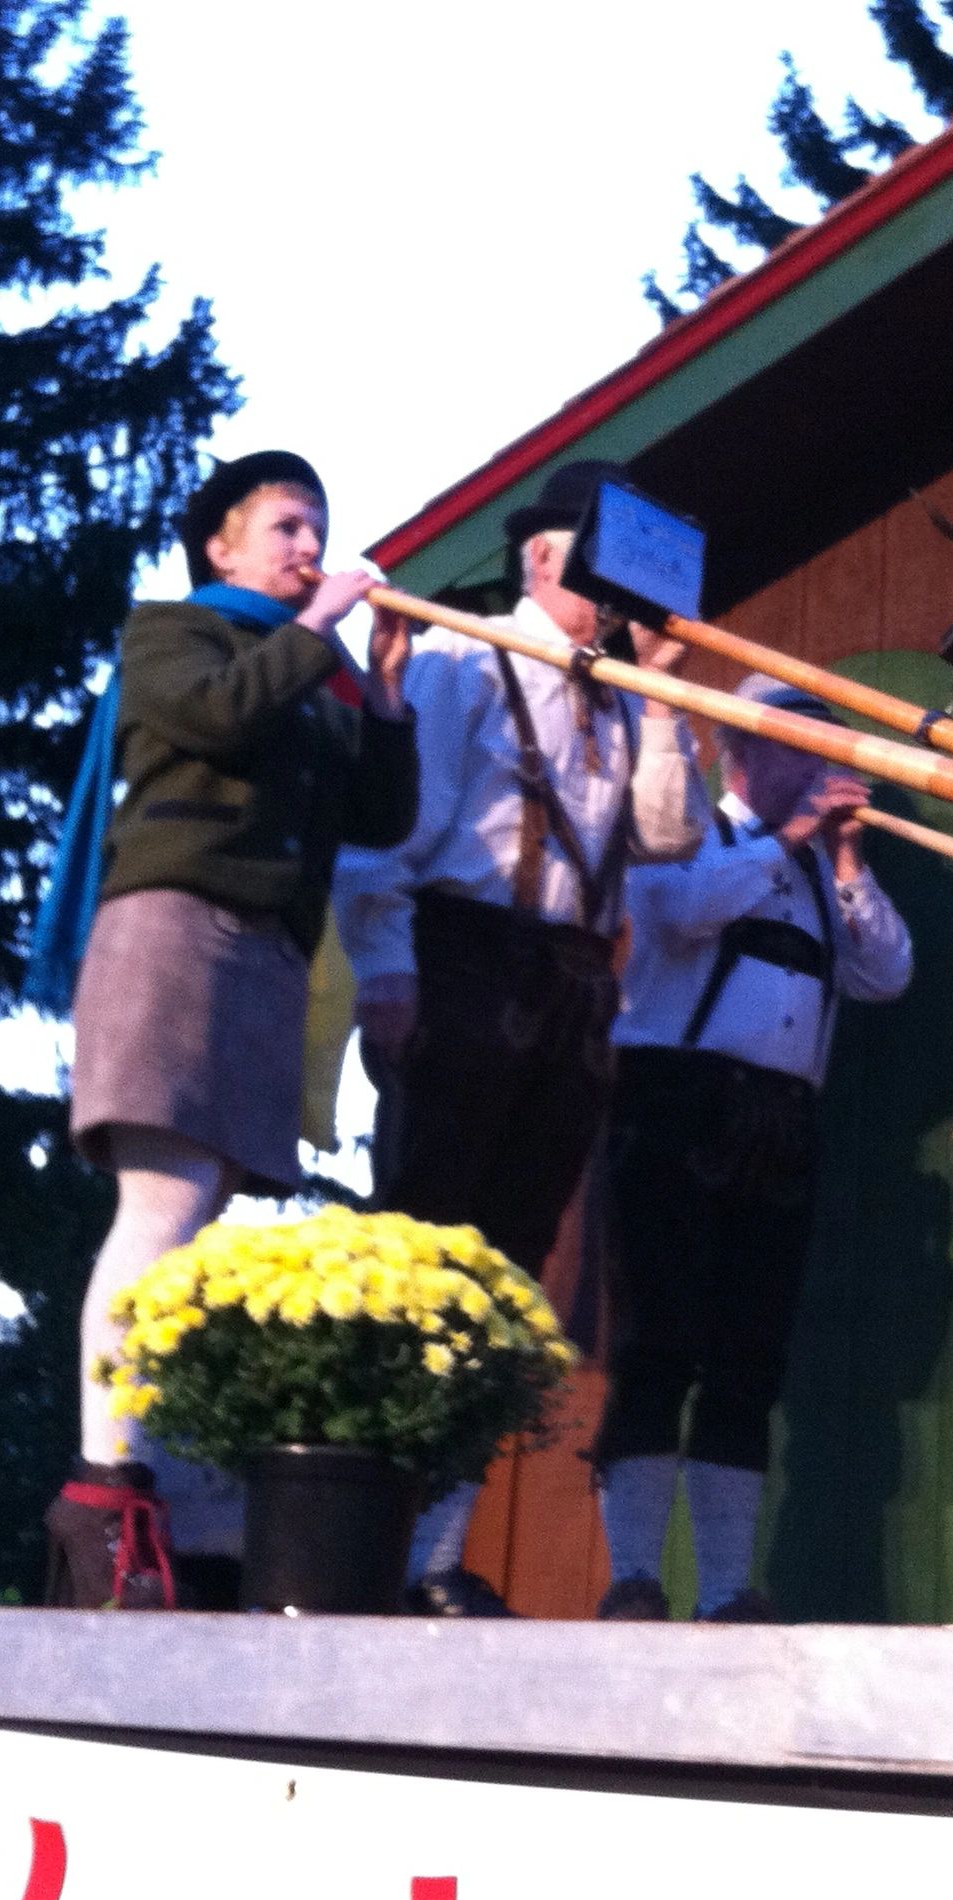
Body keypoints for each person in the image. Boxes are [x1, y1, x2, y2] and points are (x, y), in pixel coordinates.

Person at [332, 458, 705, 1616]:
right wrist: (386, 971)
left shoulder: (618, 690)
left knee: (503, 1279)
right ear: (544, 555)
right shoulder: (459, 654)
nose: (627, 593)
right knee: (424, 1252)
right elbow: (382, 833)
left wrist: (664, 699)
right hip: (464, 960)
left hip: (573, 987)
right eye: (610, 563)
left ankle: (430, 1556)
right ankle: (363, 1549)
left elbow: (668, 837)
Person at [46, 451, 417, 1609]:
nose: (311, 547)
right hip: (171, 929)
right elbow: (211, 717)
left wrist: (389, 697)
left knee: (196, 1219)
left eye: (318, 528)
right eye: (287, 526)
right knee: (157, 1207)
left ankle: (151, 1477)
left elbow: (383, 815)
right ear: (221, 544)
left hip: (261, 950)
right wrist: (319, 628)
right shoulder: (177, 632)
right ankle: (104, 1486)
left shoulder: (306, 669)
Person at [591, 675, 912, 1622]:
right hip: (674, 1104)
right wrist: (792, 843)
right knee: (656, 1346)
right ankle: (634, 1579)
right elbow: (676, 913)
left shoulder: (819, 872)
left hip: (780, 1124)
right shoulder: (693, 831)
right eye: (801, 745)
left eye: (831, 749)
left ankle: (727, 1592)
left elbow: (886, 972)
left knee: (748, 1359)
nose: (823, 766)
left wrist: (846, 863)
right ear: (744, 754)